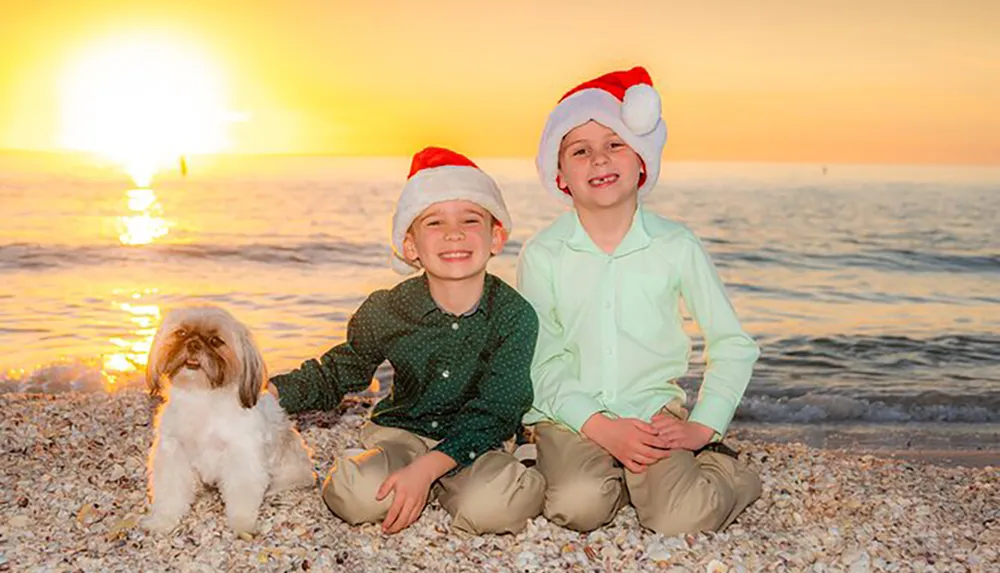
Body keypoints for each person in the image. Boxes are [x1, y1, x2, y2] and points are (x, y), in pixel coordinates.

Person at [517, 66, 762, 536]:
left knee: (681, 518)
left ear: (642, 160)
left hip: (652, 413)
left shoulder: (676, 245)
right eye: (580, 151)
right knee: (577, 507)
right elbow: (541, 361)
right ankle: (611, 473)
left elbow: (733, 344)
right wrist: (601, 428)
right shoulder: (543, 254)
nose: (599, 161)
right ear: (560, 174)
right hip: (572, 416)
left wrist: (702, 426)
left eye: (615, 144)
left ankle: (723, 470)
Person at [270, 146, 544, 535]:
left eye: (470, 219)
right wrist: (270, 394)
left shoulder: (514, 316)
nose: (454, 233)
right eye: (434, 223)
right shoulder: (388, 309)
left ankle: (464, 478)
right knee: (351, 496)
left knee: (494, 510)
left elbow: (498, 407)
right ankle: (403, 474)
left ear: (496, 237)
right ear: (411, 246)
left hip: (480, 439)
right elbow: (338, 372)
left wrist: (430, 468)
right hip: (406, 431)